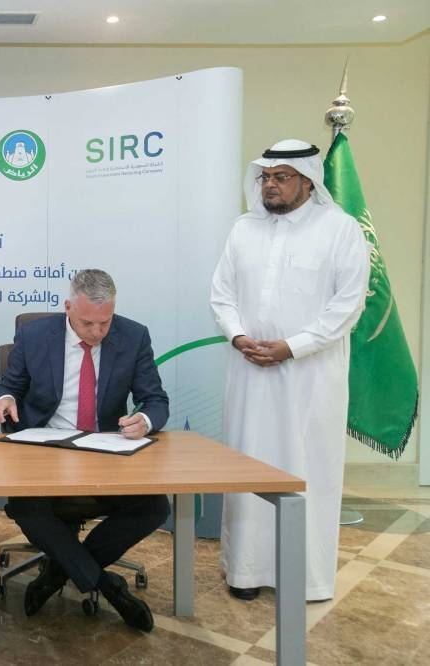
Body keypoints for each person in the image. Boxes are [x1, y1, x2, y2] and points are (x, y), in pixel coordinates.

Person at [210, 139, 369, 602]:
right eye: (265, 177)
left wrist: (292, 347)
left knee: (306, 471)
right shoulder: (243, 229)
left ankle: (305, 577)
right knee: (248, 468)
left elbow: (348, 304)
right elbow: (221, 293)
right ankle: (245, 571)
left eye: (281, 177)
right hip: (249, 374)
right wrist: (239, 336)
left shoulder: (340, 230)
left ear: (308, 180)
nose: (271, 186)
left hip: (309, 379)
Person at [0, 268, 169, 632]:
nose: (98, 332)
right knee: (25, 505)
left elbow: (155, 400)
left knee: (154, 506)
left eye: (105, 323)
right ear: (68, 306)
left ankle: (58, 571)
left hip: (104, 451)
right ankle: (108, 585)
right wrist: (5, 400)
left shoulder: (133, 336)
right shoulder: (34, 335)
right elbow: (9, 387)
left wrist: (145, 421)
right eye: (88, 323)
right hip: (45, 449)